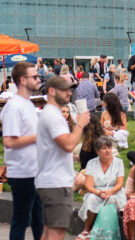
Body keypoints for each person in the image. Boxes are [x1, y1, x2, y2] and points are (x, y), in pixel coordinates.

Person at [35, 76, 90, 240]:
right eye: (65, 89)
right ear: (52, 91)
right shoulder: (52, 115)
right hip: (55, 182)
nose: (69, 93)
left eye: (69, 89)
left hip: (50, 180)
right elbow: (68, 145)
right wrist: (80, 124)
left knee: (48, 230)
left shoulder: (51, 114)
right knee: (56, 232)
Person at [1, 62, 44, 240]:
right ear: (23, 80)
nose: (38, 79)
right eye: (34, 76)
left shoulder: (28, 104)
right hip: (22, 172)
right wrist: (38, 137)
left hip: (34, 170)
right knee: (21, 219)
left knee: (38, 220)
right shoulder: (14, 106)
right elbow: (9, 141)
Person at [77, 136, 127, 240]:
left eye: (109, 147)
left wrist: (110, 192)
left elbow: (120, 183)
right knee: (91, 199)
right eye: (104, 148)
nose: (107, 150)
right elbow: (88, 185)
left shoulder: (118, 162)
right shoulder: (91, 163)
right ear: (97, 151)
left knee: (110, 199)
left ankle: (94, 231)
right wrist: (98, 192)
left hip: (114, 191)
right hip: (96, 191)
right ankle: (87, 230)